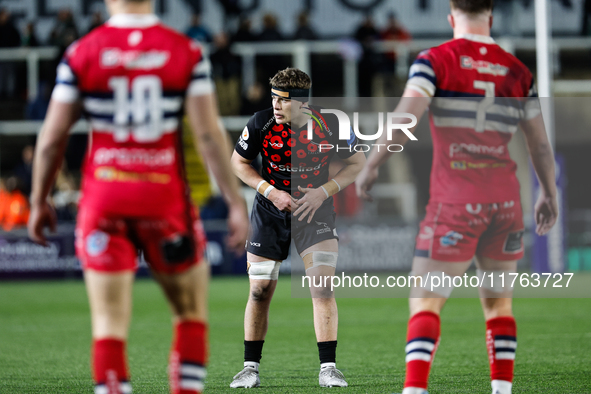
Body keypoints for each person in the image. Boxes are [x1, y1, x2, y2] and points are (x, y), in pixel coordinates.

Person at [27, 1, 249, 394]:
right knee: (189, 313)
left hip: (103, 201)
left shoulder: (81, 53)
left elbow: (50, 141)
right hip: (162, 200)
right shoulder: (185, 52)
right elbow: (208, 136)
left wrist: (39, 199)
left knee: (108, 324)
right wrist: (234, 201)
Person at [356, 1, 558, 394]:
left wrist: (371, 163)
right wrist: (548, 192)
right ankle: (502, 391)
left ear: (451, 18)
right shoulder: (519, 72)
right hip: (506, 204)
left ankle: (415, 389)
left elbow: (406, 116)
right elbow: (540, 146)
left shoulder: (435, 61)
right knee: (499, 305)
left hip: (456, 202)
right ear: (491, 17)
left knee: (426, 301)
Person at [229, 68, 366, 388]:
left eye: (283, 101)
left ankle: (329, 368)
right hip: (269, 210)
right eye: (274, 98)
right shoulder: (260, 122)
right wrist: (269, 191)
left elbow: (357, 163)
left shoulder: (331, 124)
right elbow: (238, 162)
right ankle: (250, 368)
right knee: (260, 289)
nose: (276, 106)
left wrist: (324, 191)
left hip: (314, 210)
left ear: (303, 104)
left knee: (322, 286)